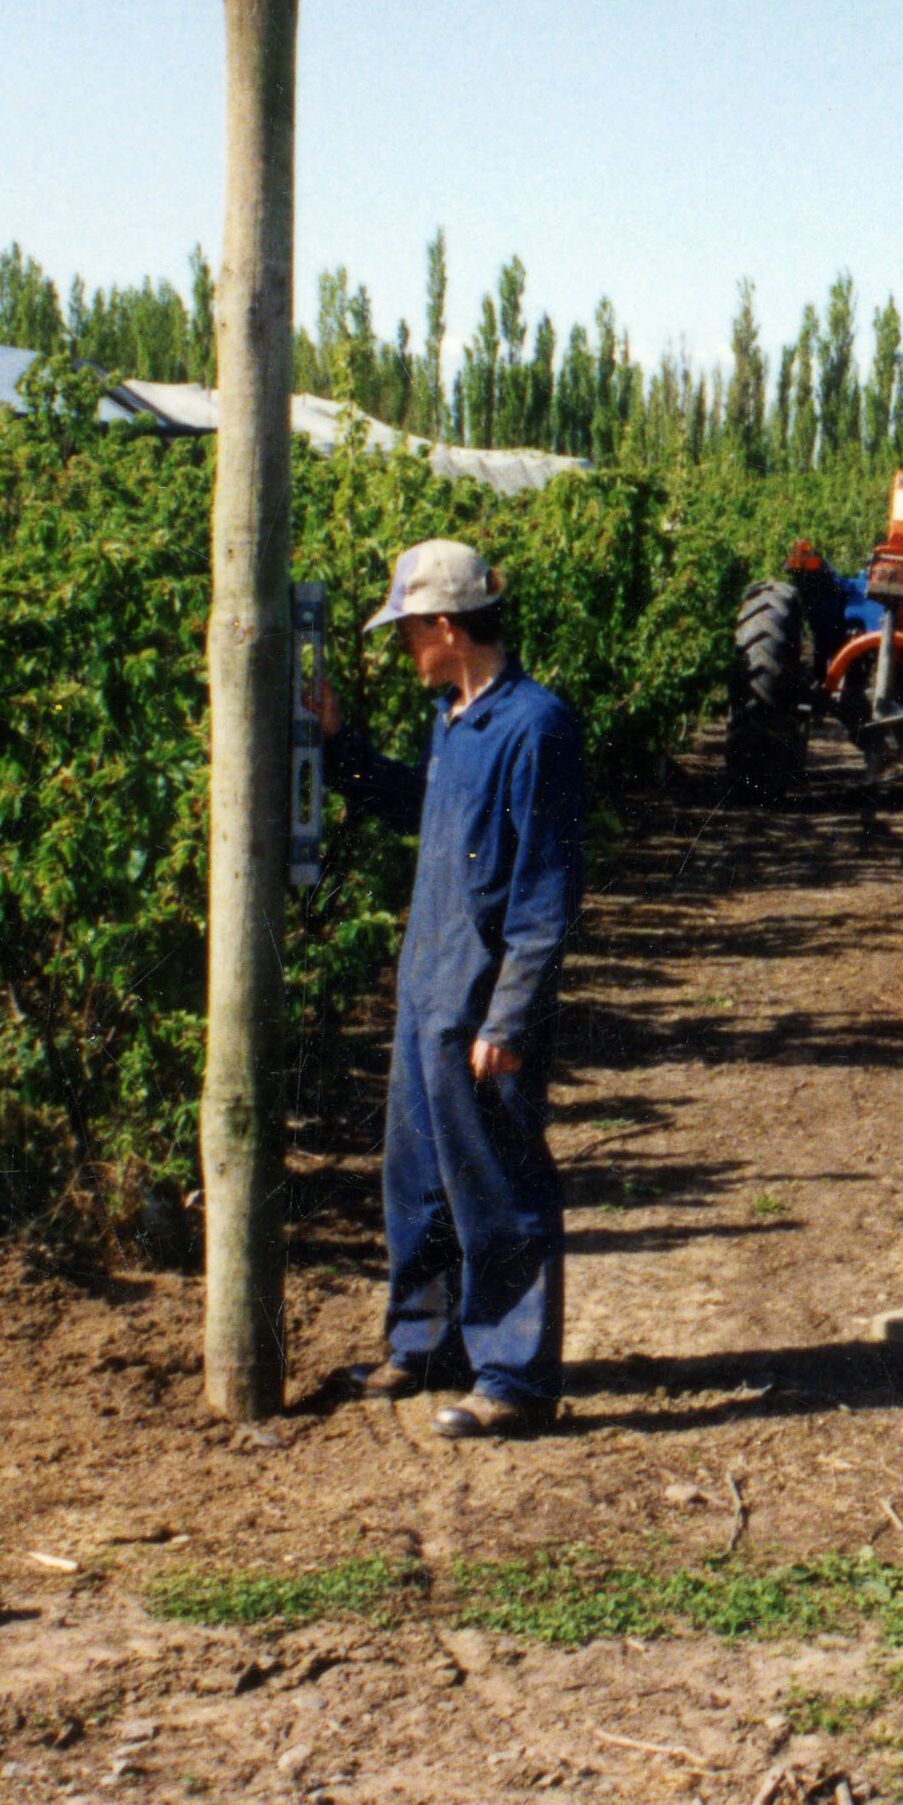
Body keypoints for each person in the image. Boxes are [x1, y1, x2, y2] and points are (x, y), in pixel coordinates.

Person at [306, 537, 586, 1437]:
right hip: (427, 992)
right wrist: (341, 746)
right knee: (419, 1180)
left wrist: (508, 1015)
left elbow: (546, 895)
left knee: (498, 1187)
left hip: (480, 1004)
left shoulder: (533, 727)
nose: (400, 651)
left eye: (405, 632)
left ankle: (513, 1380)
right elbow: (413, 808)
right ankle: (425, 1345)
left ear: (444, 626)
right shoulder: (457, 720)